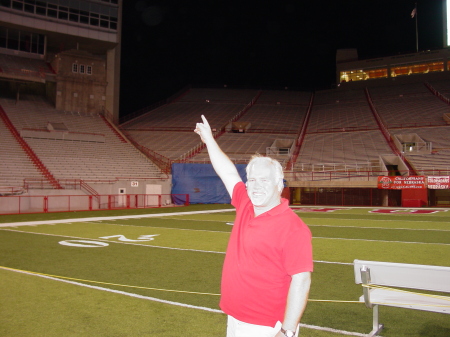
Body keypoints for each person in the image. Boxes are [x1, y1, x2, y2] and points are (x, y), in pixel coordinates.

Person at [194, 115, 313, 337]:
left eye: (265, 180)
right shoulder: (246, 204)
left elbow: (302, 280)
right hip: (235, 318)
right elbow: (228, 172)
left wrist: (287, 331)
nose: (256, 186)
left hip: (267, 327)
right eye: (252, 180)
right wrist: (209, 140)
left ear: (279, 185)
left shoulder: (293, 228)